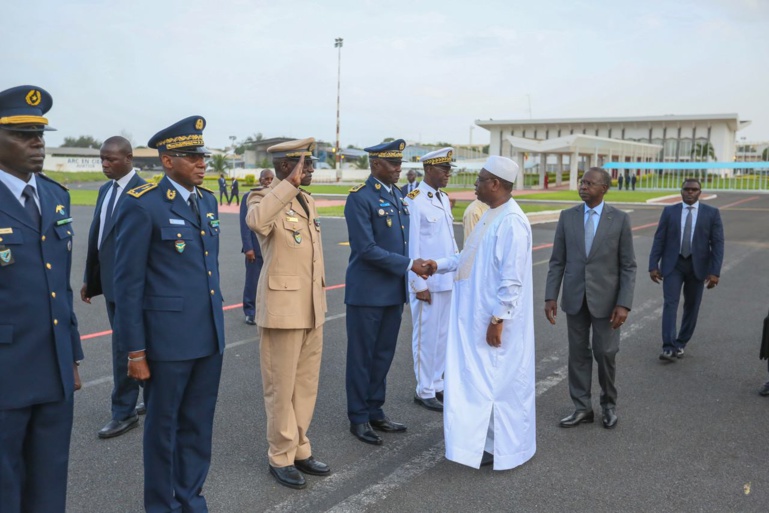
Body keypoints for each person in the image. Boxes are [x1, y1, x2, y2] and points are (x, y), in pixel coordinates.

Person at [113, 116, 225, 512]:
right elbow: (127, 287)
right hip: (166, 344)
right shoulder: (143, 206)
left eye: (203, 155)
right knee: (163, 431)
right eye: (191, 156)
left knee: (197, 428)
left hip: (207, 338)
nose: (201, 162)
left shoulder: (208, 201)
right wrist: (136, 351)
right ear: (166, 161)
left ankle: (191, 499)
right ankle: (162, 506)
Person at [0, 85, 83, 512]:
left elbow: (61, 288)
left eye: (40, 133)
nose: (37, 142)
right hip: (5, 369)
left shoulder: (55, 195)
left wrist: (71, 357)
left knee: (51, 476)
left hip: (52, 367)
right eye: (22, 133)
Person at [424, 155, 536, 471]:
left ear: (495, 184)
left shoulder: (511, 221)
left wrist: (498, 319)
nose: (475, 185)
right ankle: (480, 445)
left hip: (491, 322)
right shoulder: (491, 215)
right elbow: (467, 256)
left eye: (480, 179)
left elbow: (511, 279)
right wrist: (438, 264)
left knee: (497, 386)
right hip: (474, 319)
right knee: (478, 385)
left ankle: (503, 449)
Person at [245, 139, 330, 490]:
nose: (310, 171)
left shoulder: (306, 201)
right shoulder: (262, 197)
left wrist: (296, 188)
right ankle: (280, 454)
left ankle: (299, 446)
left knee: (305, 386)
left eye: (309, 166)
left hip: (311, 308)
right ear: (286, 167)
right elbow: (257, 223)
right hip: (282, 310)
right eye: (305, 166)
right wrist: (287, 185)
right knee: (281, 388)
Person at [344, 139, 429, 445]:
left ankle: (375, 408)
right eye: (393, 164)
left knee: (383, 355)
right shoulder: (360, 198)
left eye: (400, 163)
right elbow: (365, 249)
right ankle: (358, 416)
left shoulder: (398, 196)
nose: (398, 169)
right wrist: (410, 265)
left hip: (392, 292)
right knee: (362, 356)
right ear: (375, 164)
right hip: (367, 293)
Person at [545, 167, 636, 430]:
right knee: (578, 354)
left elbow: (628, 265)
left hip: (607, 302)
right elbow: (557, 261)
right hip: (575, 299)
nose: (583, 187)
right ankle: (582, 407)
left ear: (604, 188)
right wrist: (551, 295)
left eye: (590, 183)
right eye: (582, 182)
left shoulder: (619, 219)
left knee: (605, 352)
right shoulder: (567, 217)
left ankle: (608, 404)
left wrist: (624, 303)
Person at [81, 136, 146, 439]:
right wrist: (90, 281)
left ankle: (124, 412)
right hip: (110, 284)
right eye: (102, 159)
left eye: (111, 159)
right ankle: (143, 397)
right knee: (130, 347)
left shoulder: (146, 193)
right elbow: (99, 238)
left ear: (129, 158)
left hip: (133, 288)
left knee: (125, 349)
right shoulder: (106, 190)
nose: (105, 164)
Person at [405, 147, 458, 412]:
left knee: (442, 337)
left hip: (446, 279)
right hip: (427, 281)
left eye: (449, 169)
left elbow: (448, 241)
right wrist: (418, 284)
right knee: (426, 337)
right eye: (444, 169)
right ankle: (424, 389)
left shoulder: (442, 197)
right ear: (428, 170)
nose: (448, 174)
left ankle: (437, 384)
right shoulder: (414, 200)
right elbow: (412, 246)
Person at [649, 178, 724, 361]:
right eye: (686, 189)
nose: (690, 192)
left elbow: (717, 244)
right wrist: (653, 265)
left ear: (700, 192)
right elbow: (659, 239)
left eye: (694, 190)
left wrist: (715, 272)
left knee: (692, 306)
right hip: (673, 265)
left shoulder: (711, 213)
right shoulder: (669, 211)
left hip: (697, 267)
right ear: (681, 191)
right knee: (670, 304)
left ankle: (680, 343)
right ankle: (668, 347)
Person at [240, 168, 273, 325]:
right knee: (252, 281)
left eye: (271, 179)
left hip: (271, 249)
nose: (268, 182)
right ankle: (250, 311)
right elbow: (245, 225)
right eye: (266, 179)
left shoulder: (276, 198)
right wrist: (248, 248)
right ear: (260, 180)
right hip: (255, 248)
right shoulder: (249, 197)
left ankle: (266, 310)